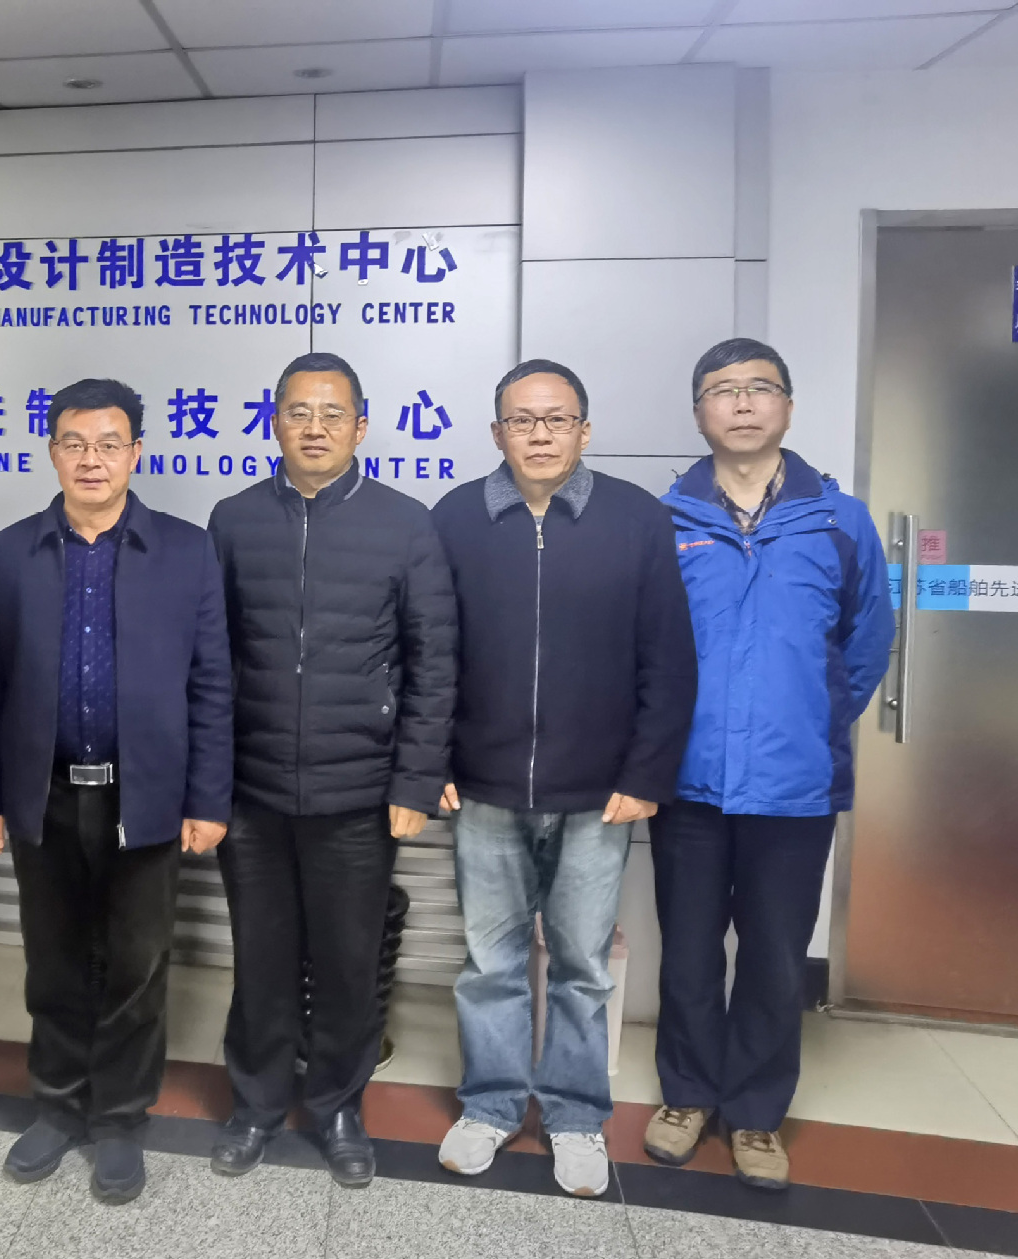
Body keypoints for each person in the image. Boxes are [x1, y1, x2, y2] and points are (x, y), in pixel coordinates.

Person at [430, 359, 696, 1198]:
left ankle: (576, 1116)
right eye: (521, 419)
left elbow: (668, 657)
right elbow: (426, 652)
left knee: (581, 963)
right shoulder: (455, 517)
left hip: (598, 792)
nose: (538, 434)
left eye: (556, 419)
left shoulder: (635, 518)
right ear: (495, 432)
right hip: (482, 786)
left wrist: (645, 772)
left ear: (584, 429)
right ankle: (490, 1104)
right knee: (490, 963)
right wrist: (430, 760)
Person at [0, 378, 232, 1206]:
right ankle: (55, 1104)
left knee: (135, 966)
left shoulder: (185, 550)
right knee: (51, 960)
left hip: (145, 795)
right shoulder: (13, 550)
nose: (92, 459)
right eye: (75, 443)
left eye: (109, 443)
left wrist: (207, 799)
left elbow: (211, 685)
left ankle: (117, 1117)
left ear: (135, 453)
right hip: (42, 792)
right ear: (52, 451)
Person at [644, 338, 892, 1191]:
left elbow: (865, 643)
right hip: (686, 781)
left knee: (776, 955)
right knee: (686, 951)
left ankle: (754, 1111)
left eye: (760, 387)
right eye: (723, 389)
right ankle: (685, 1094)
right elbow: (641, 648)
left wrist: (806, 723)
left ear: (786, 404)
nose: (742, 402)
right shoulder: (663, 521)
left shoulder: (839, 520)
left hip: (794, 786)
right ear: (698, 413)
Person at [205, 352, 456, 1186]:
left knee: (348, 964)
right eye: (297, 411)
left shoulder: (404, 524)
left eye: (332, 413)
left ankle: (338, 1106)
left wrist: (414, 780)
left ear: (360, 425)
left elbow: (433, 662)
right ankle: (254, 1102)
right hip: (251, 792)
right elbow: (210, 658)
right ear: (273, 421)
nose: (314, 428)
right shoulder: (234, 519)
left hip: (359, 793)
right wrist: (208, 783)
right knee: (261, 958)